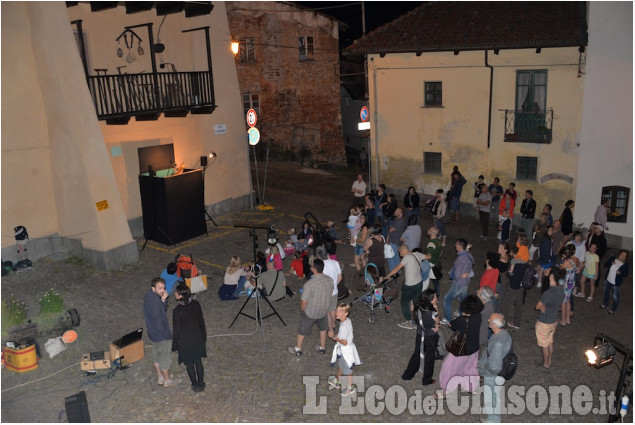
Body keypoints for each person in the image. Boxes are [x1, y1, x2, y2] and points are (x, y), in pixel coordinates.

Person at [436, 295, 482, 399]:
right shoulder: (478, 316)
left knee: (448, 367)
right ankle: (470, 387)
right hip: (474, 348)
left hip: (462, 349)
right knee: (470, 368)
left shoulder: (463, 320)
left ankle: (445, 391)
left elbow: (452, 325)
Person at [288, 259, 332, 356]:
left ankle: (298, 348)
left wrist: (303, 311)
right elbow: (330, 293)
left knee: (302, 330)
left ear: (314, 269)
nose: (310, 267)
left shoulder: (309, 284)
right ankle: (322, 347)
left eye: (311, 266)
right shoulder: (329, 280)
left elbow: (304, 301)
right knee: (323, 328)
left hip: (311, 312)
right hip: (324, 310)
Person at [143, 277, 179, 388]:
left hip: (153, 334)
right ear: (153, 288)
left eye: (163, 288)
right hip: (161, 336)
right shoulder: (155, 302)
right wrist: (167, 336)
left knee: (156, 356)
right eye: (159, 288)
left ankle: (160, 378)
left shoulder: (150, 297)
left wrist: (163, 300)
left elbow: (159, 311)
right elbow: (159, 320)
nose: (162, 290)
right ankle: (168, 381)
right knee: (165, 358)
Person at [382, 244, 427, 329]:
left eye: (400, 253)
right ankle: (418, 319)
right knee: (416, 301)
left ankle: (410, 321)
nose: (400, 255)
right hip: (419, 282)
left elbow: (397, 268)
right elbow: (428, 256)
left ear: (403, 250)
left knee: (404, 302)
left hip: (410, 285)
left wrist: (388, 275)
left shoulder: (406, 257)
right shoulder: (417, 253)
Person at [171, 283, 207, 392]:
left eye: (176, 292)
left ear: (180, 295)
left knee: (189, 363)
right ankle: (201, 383)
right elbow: (201, 321)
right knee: (198, 361)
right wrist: (204, 336)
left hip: (186, 342)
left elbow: (176, 330)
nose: (174, 293)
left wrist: (175, 346)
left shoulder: (177, 311)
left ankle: (195, 384)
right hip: (197, 338)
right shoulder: (196, 304)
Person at [401, 289, 440, 386]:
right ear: (430, 300)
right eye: (435, 297)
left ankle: (407, 375)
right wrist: (435, 307)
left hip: (420, 335)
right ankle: (426, 380)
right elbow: (437, 322)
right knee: (430, 358)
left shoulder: (418, 307)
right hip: (430, 337)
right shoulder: (432, 311)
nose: (436, 298)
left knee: (416, 354)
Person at [478, 313, 512, 423]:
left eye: (490, 320)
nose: (488, 320)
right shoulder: (503, 334)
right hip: (498, 372)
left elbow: (494, 366)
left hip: (493, 375)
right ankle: (489, 410)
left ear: (495, 325)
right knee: (492, 394)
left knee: (493, 396)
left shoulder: (498, 343)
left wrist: (483, 369)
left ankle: (493, 420)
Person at [535, 266, 566, 369]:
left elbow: (537, 306)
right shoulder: (561, 288)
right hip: (553, 320)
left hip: (544, 321)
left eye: (548, 272)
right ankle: (550, 360)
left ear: (552, 276)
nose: (546, 273)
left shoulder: (548, 293)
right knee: (550, 341)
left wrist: (543, 306)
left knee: (544, 344)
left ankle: (546, 363)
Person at [328, 303, 361, 397]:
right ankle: (337, 382)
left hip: (346, 351)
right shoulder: (347, 320)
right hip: (344, 350)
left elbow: (345, 342)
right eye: (337, 310)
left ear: (346, 313)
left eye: (340, 311)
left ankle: (350, 388)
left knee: (348, 371)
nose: (337, 313)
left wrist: (334, 337)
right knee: (341, 366)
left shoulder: (343, 326)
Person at [441, 239, 475, 325]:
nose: (455, 245)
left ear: (459, 247)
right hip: (466, 282)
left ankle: (447, 318)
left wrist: (451, 273)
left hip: (459, 283)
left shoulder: (460, 259)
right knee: (463, 300)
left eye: (456, 244)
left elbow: (457, 275)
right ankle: (461, 317)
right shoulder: (468, 255)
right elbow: (473, 261)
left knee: (447, 299)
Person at [316, 246, 342, 335]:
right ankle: (334, 324)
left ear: (319, 256)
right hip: (334, 290)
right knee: (333, 308)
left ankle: (330, 328)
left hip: (325, 292)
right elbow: (340, 277)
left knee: (327, 310)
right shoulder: (335, 263)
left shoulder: (321, 267)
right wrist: (334, 284)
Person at [600, 250, 629, 314]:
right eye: (621, 255)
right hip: (608, 280)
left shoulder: (625, 264)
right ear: (619, 254)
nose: (622, 257)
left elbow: (626, 274)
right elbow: (605, 264)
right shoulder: (613, 259)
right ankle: (605, 304)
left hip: (616, 283)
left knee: (615, 296)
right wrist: (611, 263)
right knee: (606, 293)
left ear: (626, 257)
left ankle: (613, 309)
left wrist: (620, 272)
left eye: (624, 256)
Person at [587, 225, 608, 302]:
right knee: (590, 266)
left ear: (600, 230)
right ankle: (589, 277)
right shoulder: (594, 236)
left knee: (597, 268)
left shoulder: (603, 239)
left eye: (596, 228)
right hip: (591, 253)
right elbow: (591, 243)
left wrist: (599, 256)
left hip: (597, 255)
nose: (595, 229)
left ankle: (596, 281)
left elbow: (604, 249)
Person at [424, 226, 443, 298]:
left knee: (425, 280)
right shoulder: (438, 241)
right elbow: (441, 252)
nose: (428, 230)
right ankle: (437, 295)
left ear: (432, 233)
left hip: (430, 264)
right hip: (436, 263)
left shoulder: (431, 244)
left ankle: (424, 295)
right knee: (435, 280)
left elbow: (428, 256)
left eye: (429, 230)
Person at [386, 207, 406, 272]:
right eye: (395, 210)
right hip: (395, 241)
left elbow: (390, 229)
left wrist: (389, 228)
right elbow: (390, 231)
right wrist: (387, 239)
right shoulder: (397, 219)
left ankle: (393, 272)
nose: (395, 211)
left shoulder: (400, 221)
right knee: (396, 256)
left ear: (401, 214)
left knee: (391, 257)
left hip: (394, 241)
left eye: (397, 211)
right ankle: (398, 271)